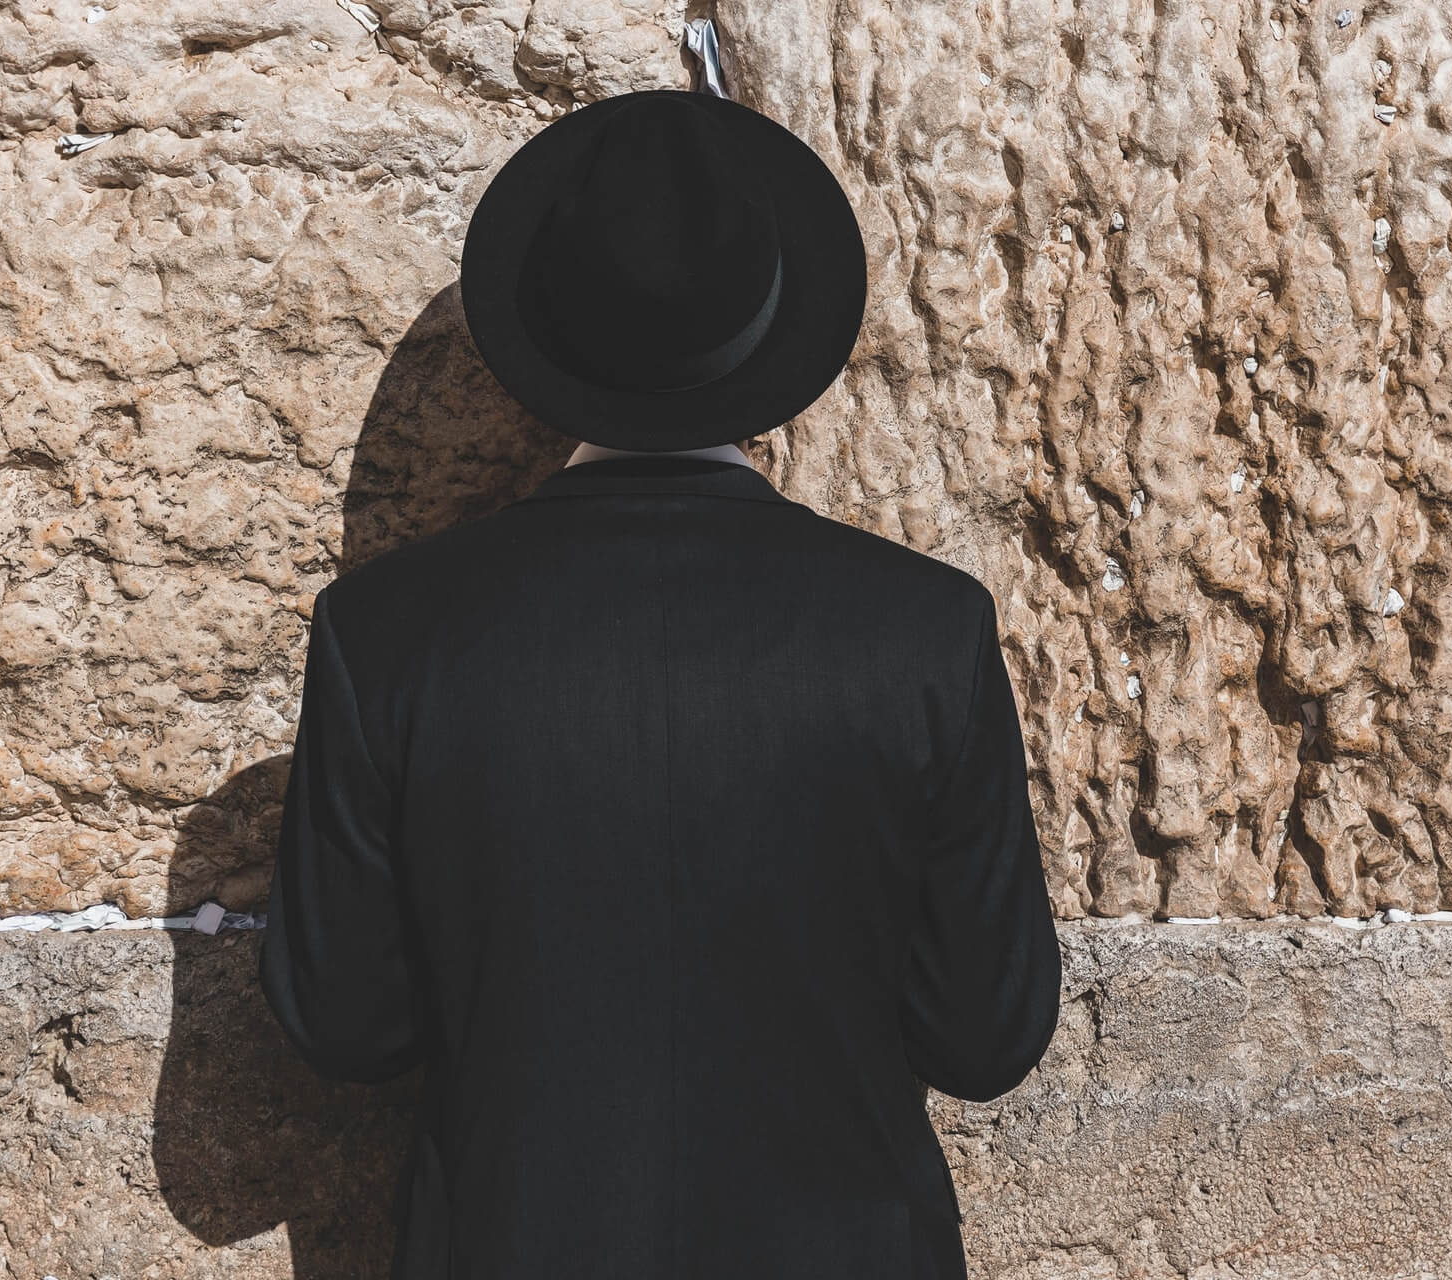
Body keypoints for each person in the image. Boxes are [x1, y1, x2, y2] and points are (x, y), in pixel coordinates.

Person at [259, 85, 1062, 1280]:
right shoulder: (923, 633)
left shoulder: (388, 633)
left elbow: (347, 1023)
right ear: (769, 317)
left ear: (549, 328)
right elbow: (988, 1035)